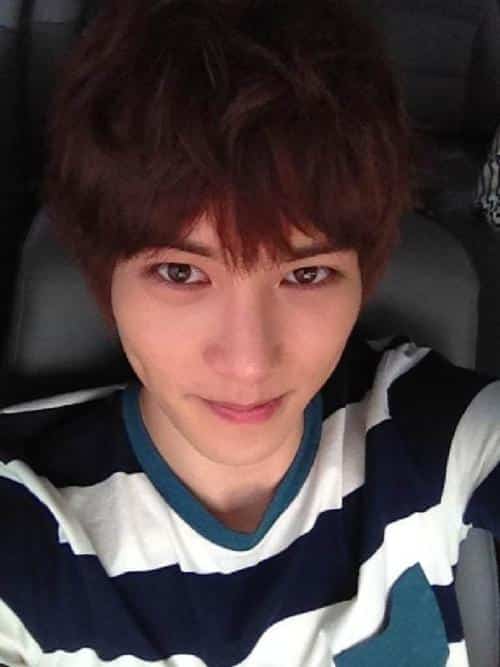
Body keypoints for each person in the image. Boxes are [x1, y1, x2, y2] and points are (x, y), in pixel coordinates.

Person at [0, 0, 499, 665]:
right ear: (104, 276)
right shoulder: (26, 526)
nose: (248, 362)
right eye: (180, 272)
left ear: (364, 276)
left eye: (307, 274)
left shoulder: (430, 430)